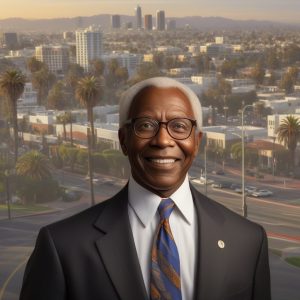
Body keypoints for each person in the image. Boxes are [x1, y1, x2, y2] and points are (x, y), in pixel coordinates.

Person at [20, 77, 271, 300]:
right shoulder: (63, 246)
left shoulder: (247, 241)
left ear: (197, 141)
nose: (163, 140)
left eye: (180, 126)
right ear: (123, 140)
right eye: (146, 125)